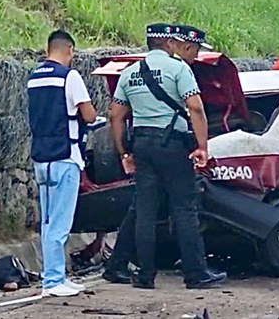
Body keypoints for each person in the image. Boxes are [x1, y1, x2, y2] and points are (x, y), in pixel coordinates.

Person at [107, 23, 227, 289]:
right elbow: (195, 107)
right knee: (184, 208)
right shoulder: (178, 69)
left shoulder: (130, 72)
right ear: (171, 44)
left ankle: (145, 276)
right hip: (172, 145)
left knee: (145, 211)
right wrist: (202, 146)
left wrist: (124, 152)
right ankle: (196, 273)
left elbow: (115, 115)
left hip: (142, 145)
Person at [27, 29, 97, 297]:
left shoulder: (34, 78)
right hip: (66, 156)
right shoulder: (70, 76)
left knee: (47, 221)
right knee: (60, 223)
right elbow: (88, 115)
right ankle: (54, 281)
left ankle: (53, 276)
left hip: (41, 157)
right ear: (69, 50)